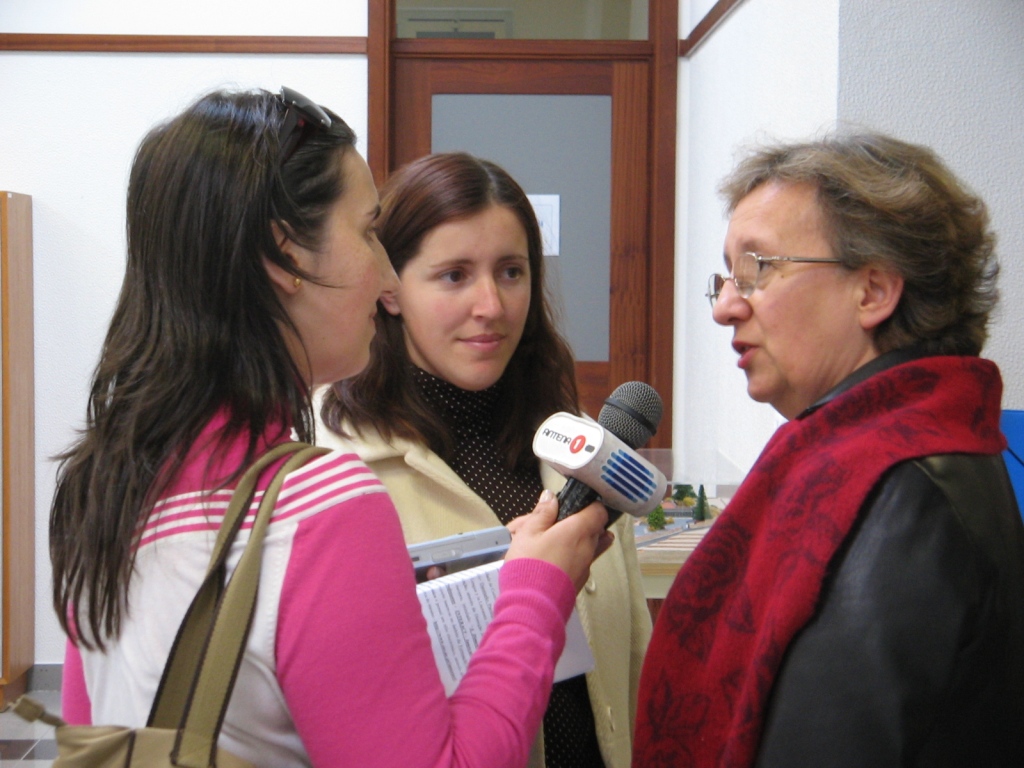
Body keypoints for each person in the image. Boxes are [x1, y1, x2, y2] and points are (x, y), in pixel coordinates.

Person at [49, 86, 614, 768]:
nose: (384, 275)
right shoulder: (317, 504)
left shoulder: (105, 484)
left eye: (512, 271)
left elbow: (92, 737)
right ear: (285, 255)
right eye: (369, 231)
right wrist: (534, 590)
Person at [633, 132, 1024, 767]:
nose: (726, 307)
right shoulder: (871, 456)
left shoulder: (903, 492)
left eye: (758, 269)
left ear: (872, 291)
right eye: (726, 277)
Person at [318, 151, 652, 768]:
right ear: (389, 290)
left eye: (510, 272)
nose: (492, 306)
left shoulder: (579, 446)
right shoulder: (331, 464)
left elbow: (632, 662)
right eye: (453, 276)